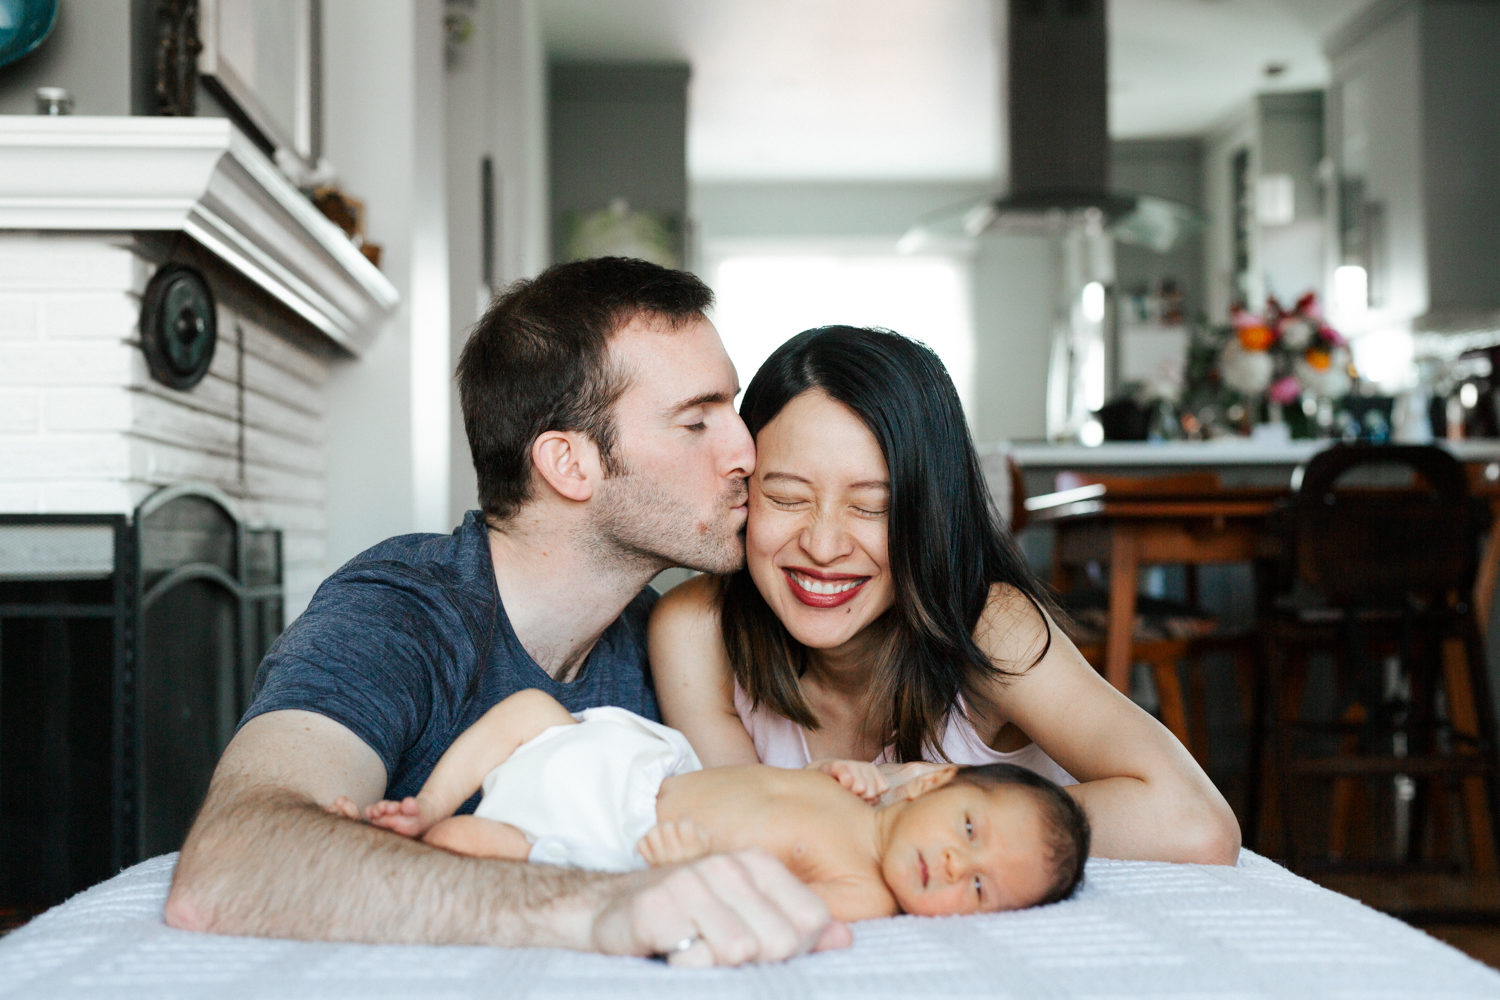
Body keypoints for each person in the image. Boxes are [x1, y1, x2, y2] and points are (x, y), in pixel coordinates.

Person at [164, 258, 847, 967]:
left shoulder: (669, 640)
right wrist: (601, 906)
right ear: (569, 464)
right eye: (697, 421)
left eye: (734, 409)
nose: (747, 452)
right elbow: (228, 865)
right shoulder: (399, 611)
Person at [649, 325, 1241, 865]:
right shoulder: (697, 630)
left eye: (872, 507)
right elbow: (747, 843)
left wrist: (924, 798)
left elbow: (1196, 823)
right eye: (786, 498)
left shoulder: (991, 625)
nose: (823, 546)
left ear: (929, 517)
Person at [346, 688, 1089, 921]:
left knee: (468, 847)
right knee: (533, 710)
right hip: (637, 767)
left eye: (980, 888)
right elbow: (789, 788)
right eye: (969, 829)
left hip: (624, 838)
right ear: (932, 783)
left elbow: (775, 911)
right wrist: (853, 776)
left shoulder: (864, 891)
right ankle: (424, 800)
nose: (955, 864)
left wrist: (697, 872)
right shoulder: (870, 787)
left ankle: (409, 842)